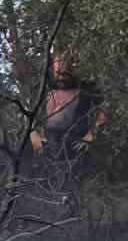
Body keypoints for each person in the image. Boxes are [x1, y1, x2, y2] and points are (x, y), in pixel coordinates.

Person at [29, 50, 107, 188]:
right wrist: (34, 137)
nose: (61, 74)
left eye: (66, 69)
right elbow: (28, 116)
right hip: (48, 152)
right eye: (58, 67)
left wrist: (91, 135)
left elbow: (102, 113)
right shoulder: (43, 90)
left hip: (76, 150)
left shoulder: (87, 91)